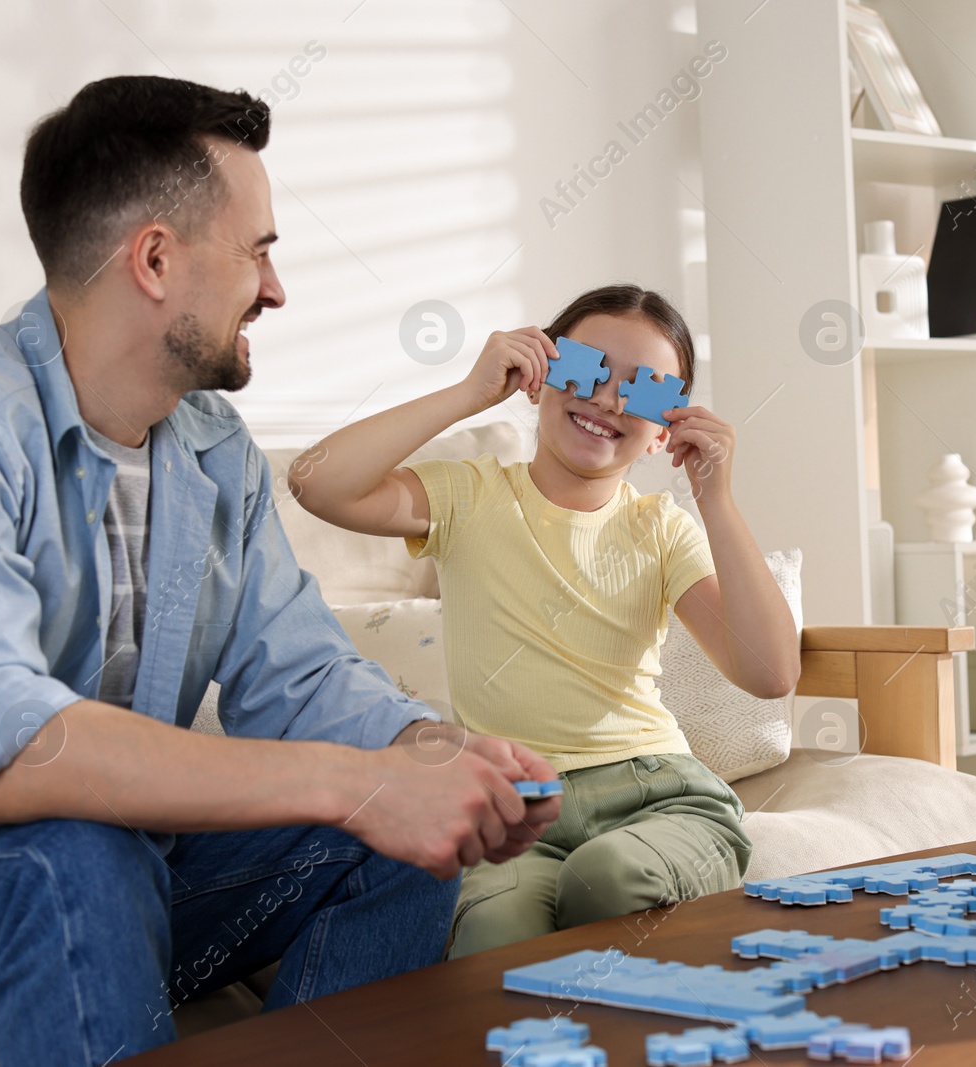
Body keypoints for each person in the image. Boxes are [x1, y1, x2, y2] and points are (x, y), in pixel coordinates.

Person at [0, 75, 559, 1067]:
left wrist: (439, 758)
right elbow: (1, 748)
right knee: (76, 848)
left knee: (397, 841)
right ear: (157, 258)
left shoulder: (214, 453)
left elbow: (301, 676)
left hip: (116, 876)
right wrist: (357, 780)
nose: (276, 286)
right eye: (259, 249)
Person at [289, 284, 800, 956]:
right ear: (538, 376)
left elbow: (770, 672)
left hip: (658, 793)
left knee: (608, 877)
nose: (609, 400)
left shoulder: (662, 530)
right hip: (515, 812)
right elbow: (316, 480)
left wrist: (717, 501)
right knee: (495, 938)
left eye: (643, 391)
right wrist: (472, 391)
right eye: (587, 369)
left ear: (662, 432)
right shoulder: (467, 495)